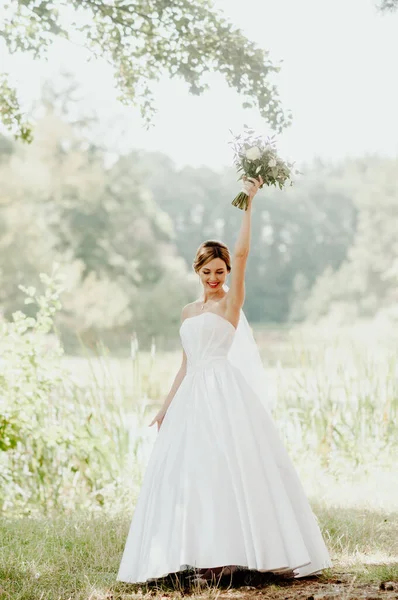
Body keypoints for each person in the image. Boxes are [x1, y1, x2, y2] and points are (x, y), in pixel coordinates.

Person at [116, 176, 332, 585]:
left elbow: (246, 252)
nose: (215, 278)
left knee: (230, 466)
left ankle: (240, 552)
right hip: (191, 398)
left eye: (221, 271)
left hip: (226, 394)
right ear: (197, 270)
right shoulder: (187, 312)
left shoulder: (231, 303)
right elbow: (185, 364)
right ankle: (196, 551)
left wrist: (249, 202)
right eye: (208, 271)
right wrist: (164, 409)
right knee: (194, 471)